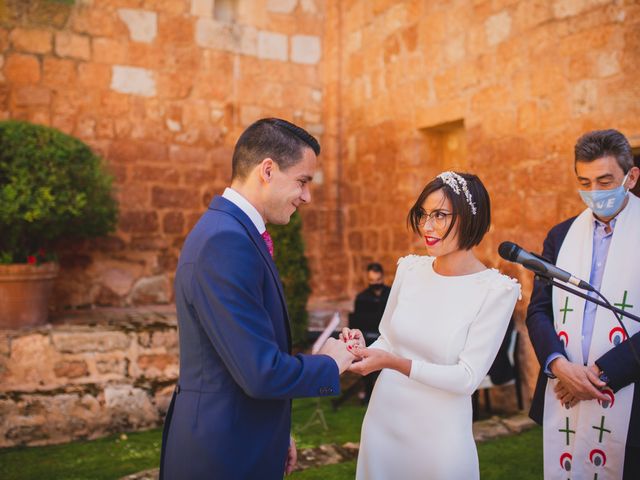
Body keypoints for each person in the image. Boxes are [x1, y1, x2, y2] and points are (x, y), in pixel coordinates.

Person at [159, 118, 356, 480]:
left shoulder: (232, 232)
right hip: (222, 457)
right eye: (302, 181)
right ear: (267, 169)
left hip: (243, 438)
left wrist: (277, 432)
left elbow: (241, 356)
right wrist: (331, 362)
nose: (307, 196)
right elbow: (261, 372)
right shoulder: (226, 241)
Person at [341, 171, 520, 479]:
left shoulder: (496, 290)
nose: (426, 226)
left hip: (440, 433)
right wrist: (364, 348)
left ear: (470, 218)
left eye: (440, 215)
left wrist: (395, 362)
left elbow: (467, 378)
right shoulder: (409, 269)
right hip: (384, 420)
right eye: (423, 215)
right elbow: (388, 338)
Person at [526, 129, 640, 479]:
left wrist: (597, 376)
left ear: (631, 177)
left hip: (631, 397)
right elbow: (539, 310)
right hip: (564, 387)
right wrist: (559, 365)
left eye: (605, 181)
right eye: (584, 182)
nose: (594, 193)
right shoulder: (560, 236)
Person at [350, 263, 391, 403]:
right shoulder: (362, 297)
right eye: (372, 281)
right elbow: (357, 322)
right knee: (367, 366)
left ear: (382, 277)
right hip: (368, 337)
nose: (375, 284)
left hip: (388, 338)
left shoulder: (391, 294)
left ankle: (387, 398)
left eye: (378, 280)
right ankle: (368, 395)